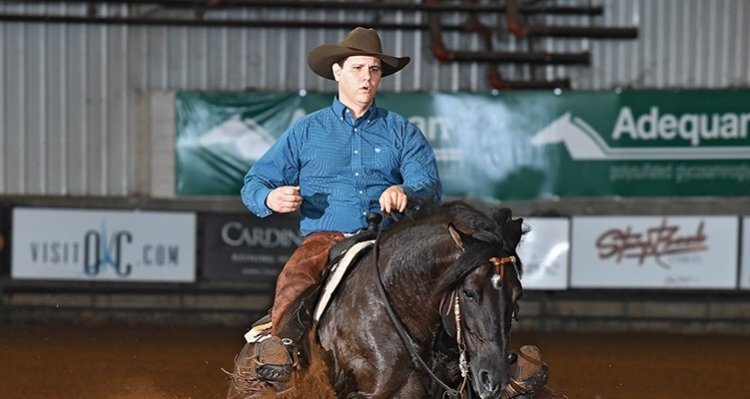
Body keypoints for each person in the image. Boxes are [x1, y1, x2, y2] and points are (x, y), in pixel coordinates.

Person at [240, 26, 442, 382]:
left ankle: (476, 361)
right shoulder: (306, 132)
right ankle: (281, 346)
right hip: (327, 237)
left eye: (374, 69)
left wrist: (406, 193)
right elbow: (255, 182)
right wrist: (269, 197)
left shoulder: (402, 132)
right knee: (297, 275)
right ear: (338, 72)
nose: (367, 77)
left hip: (391, 238)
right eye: (358, 68)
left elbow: (428, 185)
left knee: (454, 283)